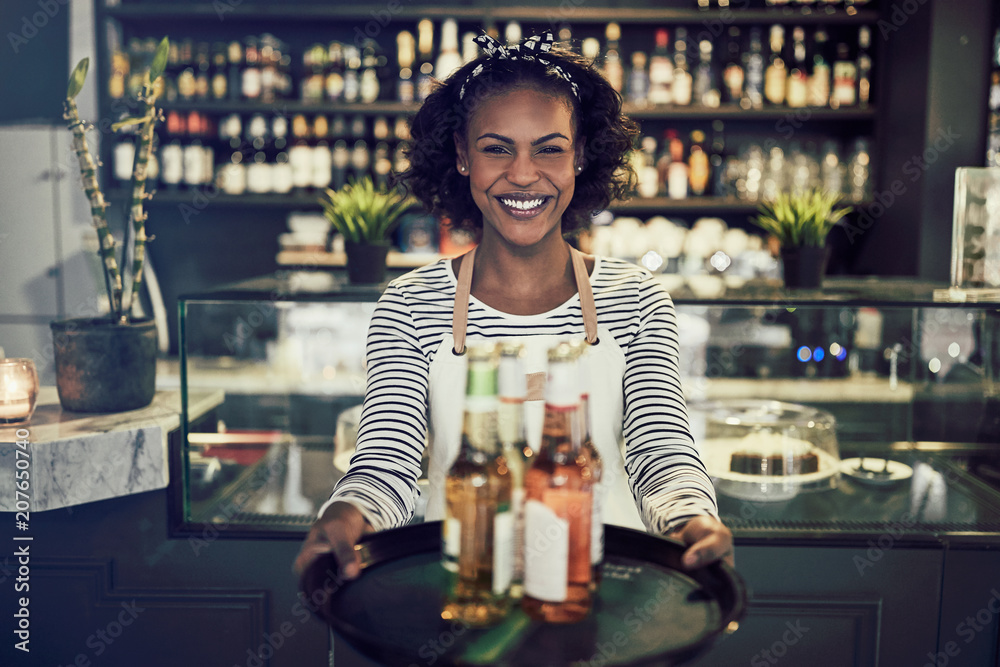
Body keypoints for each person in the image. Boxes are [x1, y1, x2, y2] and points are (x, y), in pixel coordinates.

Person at [295, 32, 733, 582]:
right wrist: (341, 518)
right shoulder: (410, 304)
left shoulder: (635, 299)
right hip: (464, 588)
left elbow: (660, 456)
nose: (524, 174)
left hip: (603, 586)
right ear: (461, 155)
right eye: (497, 148)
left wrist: (692, 521)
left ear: (579, 157)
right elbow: (389, 467)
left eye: (549, 148)